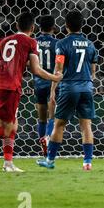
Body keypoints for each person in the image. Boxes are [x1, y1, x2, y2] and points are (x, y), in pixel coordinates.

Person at [0, 12, 62, 172]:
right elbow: (36, 69)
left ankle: (8, 163)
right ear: (32, 28)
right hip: (10, 87)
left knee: (9, 125)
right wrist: (54, 77)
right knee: (9, 129)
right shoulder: (30, 42)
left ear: (16, 26)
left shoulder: (2, 40)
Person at [37, 10, 98, 171]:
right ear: (81, 25)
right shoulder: (90, 44)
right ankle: (87, 162)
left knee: (59, 124)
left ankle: (49, 160)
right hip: (86, 87)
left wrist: (52, 90)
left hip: (69, 87)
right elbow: (93, 71)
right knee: (86, 125)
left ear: (66, 26)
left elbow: (58, 69)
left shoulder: (62, 44)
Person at [34, 15, 59, 157]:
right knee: (52, 117)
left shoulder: (34, 42)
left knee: (41, 118)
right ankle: (48, 140)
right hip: (52, 83)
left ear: (39, 27)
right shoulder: (57, 43)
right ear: (53, 28)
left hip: (38, 82)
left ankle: (43, 147)